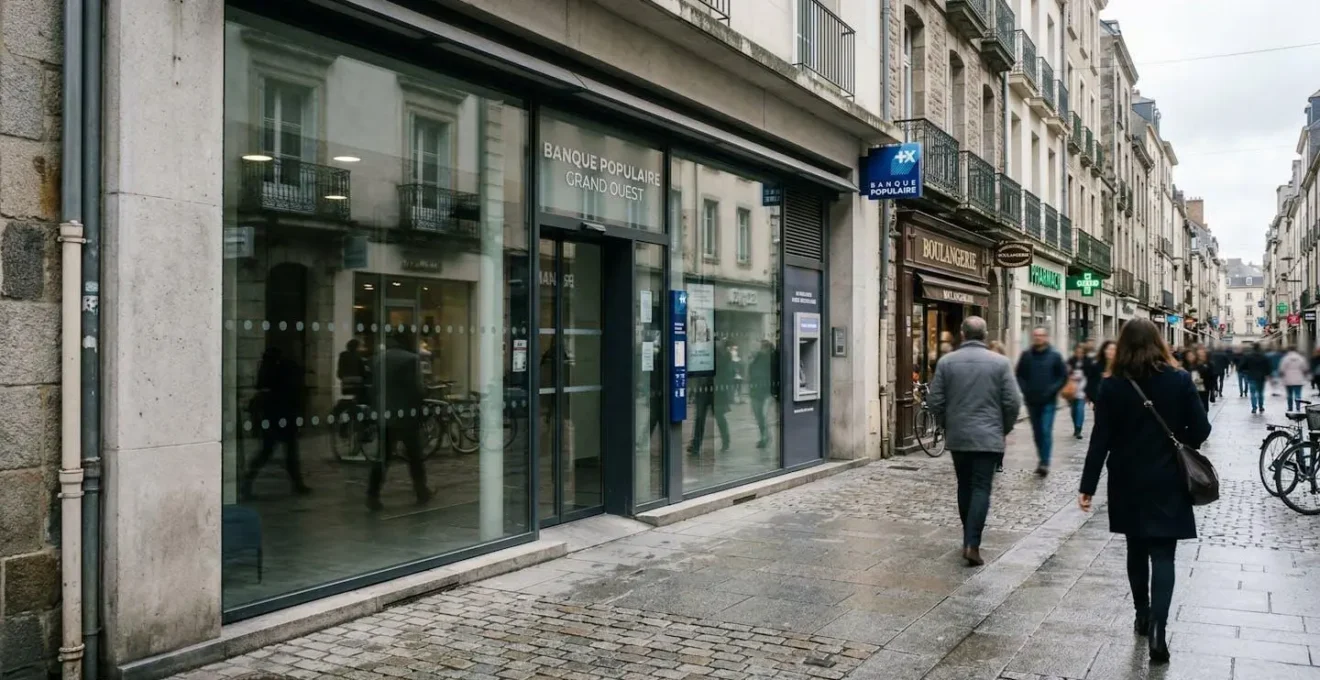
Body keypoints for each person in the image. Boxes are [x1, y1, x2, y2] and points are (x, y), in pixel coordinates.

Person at [1078, 319, 1210, 664]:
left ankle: (1141, 614)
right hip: (1168, 478)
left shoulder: (1112, 386)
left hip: (1127, 479)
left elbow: (1100, 440)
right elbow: (1201, 429)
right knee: (1164, 555)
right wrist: (1178, 440)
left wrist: (1087, 486)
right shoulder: (1179, 379)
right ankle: (1158, 631)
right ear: (1158, 342)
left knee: (1136, 549)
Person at [926, 317, 1021, 567]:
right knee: (981, 487)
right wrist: (1003, 427)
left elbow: (934, 401)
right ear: (985, 335)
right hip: (989, 437)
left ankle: (967, 538)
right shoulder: (1000, 363)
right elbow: (1013, 402)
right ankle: (972, 543)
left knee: (964, 485)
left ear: (962, 333)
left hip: (959, 436)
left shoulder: (947, 362)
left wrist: (947, 424)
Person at [367, 333, 431, 511]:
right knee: (414, 456)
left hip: (384, 414)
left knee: (382, 456)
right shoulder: (411, 359)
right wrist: (423, 397)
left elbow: (374, 388)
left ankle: (372, 493)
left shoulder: (378, 359)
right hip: (405, 415)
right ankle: (421, 491)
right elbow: (416, 389)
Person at [241, 346, 311, 498]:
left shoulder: (267, 366)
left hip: (272, 414)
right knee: (287, 450)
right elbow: (294, 391)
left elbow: (260, 385)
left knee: (269, 450)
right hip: (284, 414)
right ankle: (297, 483)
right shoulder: (286, 367)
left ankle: (247, 482)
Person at [1016, 327, 1068, 476]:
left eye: (1041, 335)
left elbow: (1062, 376)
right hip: (1032, 400)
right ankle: (1041, 459)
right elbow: (1019, 375)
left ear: (1046, 337)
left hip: (1048, 401)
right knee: (1037, 432)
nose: (1038, 337)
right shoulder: (1026, 355)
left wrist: (1052, 390)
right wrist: (1025, 389)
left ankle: (1044, 462)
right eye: (1036, 335)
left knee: (1045, 430)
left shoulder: (1055, 355)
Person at [689, 340, 732, 454]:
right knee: (700, 418)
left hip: (715, 391)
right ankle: (696, 445)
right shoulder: (702, 355)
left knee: (718, 417)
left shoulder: (721, 356)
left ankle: (726, 441)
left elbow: (724, 371)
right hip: (703, 390)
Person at [748, 339, 779, 449]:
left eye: (763, 347)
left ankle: (765, 438)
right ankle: (764, 436)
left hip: (767, 392)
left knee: (763, 416)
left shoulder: (772, 358)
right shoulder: (755, 359)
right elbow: (751, 374)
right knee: (759, 417)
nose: (761, 349)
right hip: (756, 392)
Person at [1065, 344, 1093, 440]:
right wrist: (1070, 375)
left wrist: (1089, 392)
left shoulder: (1088, 361)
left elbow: (1091, 376)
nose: (1079, 354)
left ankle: (1078, 429)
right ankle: (1075, 426)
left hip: (1083, 388)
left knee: (1079, 408)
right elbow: (1065, 372)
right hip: (1072, 388)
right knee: (1073, 410)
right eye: (1077, 352)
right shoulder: (1070, 360)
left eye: (1081, 352)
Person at [1241, 343, 1272, 414]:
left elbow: (1242, 366)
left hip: (1251, 376)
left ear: (1253, 348)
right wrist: (1267, 374)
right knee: (1260, 393)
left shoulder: (1248, 356)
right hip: (1261, 377)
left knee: (1253, 393)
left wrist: (1246, 370)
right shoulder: (1264, 356)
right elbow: (1268, 367)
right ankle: (1261, 406)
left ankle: (1254, 408)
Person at [1279, 346, 1309, 411]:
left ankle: (1290, 408)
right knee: (1298, 394)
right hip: (1299, 378)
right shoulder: (1301, 358)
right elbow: (1305, 368)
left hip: (1288, 378)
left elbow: (1282, 369)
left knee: (1289, 394)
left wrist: (1282, 376)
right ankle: (1298, 407)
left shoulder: (1285, 358)